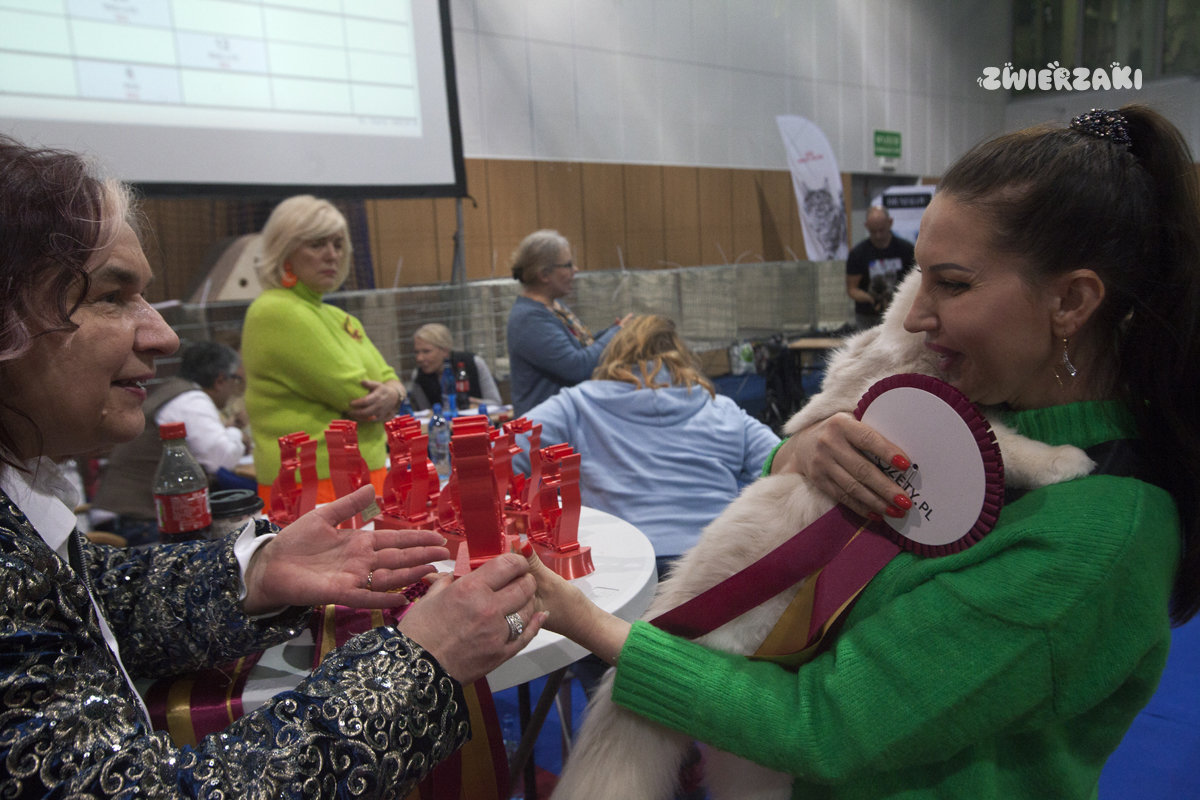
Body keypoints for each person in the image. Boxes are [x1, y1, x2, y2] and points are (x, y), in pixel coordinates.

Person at [525, 106, 1200, 797]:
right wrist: (805, 452)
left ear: (1071, 302)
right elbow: (787, 464)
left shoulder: (1100, 531)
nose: (915, 315)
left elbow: (824, 725)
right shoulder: (975, 394)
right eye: (918, 277)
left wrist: (597, 630)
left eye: (953, 284)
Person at [0, 134, 545, 797]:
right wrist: (416, 666)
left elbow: (91, 601)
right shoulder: (283, 313)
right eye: (112, 297)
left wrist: (251, 573)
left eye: (338, 244)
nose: (164, 335)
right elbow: (360, 388)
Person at [513, 314, 779, 577]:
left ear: (613, 354)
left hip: (623, 570)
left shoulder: (577, 404)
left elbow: (501, 454)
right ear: (682, 356)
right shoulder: (724, 409)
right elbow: (786, 462)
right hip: (716, 567)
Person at [242, 195, 407, 505]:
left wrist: (394, 392)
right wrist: (392, 393)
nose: (332, 255)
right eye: (317, 244)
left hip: (360, 475)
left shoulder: (340, 317)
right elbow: (359, 396)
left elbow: (389, 378)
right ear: (284, 250)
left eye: (338, 244)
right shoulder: (276, 310)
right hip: (313, 485)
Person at [92, 340, 250, 545]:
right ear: (220, 380)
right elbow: (221, 459)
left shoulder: (174, 391)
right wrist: (236, 433)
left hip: (123, 514)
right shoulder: (190, 400)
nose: (233, 388)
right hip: (136, 522)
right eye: (235, 380)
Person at [506, 229, 632, 415]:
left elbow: (582, 348)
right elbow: (578, 367)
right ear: (544, 274)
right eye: (568, 265)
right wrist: (616, 334)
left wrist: (612, 332)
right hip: (546, 427)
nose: (576, 270)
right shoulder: (529, 319)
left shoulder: (555, 307)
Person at [845, 205, 915, 329]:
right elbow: (852, 289)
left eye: (881, 230)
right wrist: (871, 298)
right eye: (873, 231)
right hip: (868, 317)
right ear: (866, 226)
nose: (878, 235)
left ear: (890, 223)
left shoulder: (906, 250)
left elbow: (914, 281)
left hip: (899, 314)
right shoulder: (858, 253)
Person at [406, 322, 503, 411]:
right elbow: (425, 412)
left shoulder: (474, 363)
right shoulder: (418, 376)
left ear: (445, 351)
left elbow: (496, 403)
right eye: (416, 352)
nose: (419, 358)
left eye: (426, 351)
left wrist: (471, 403)